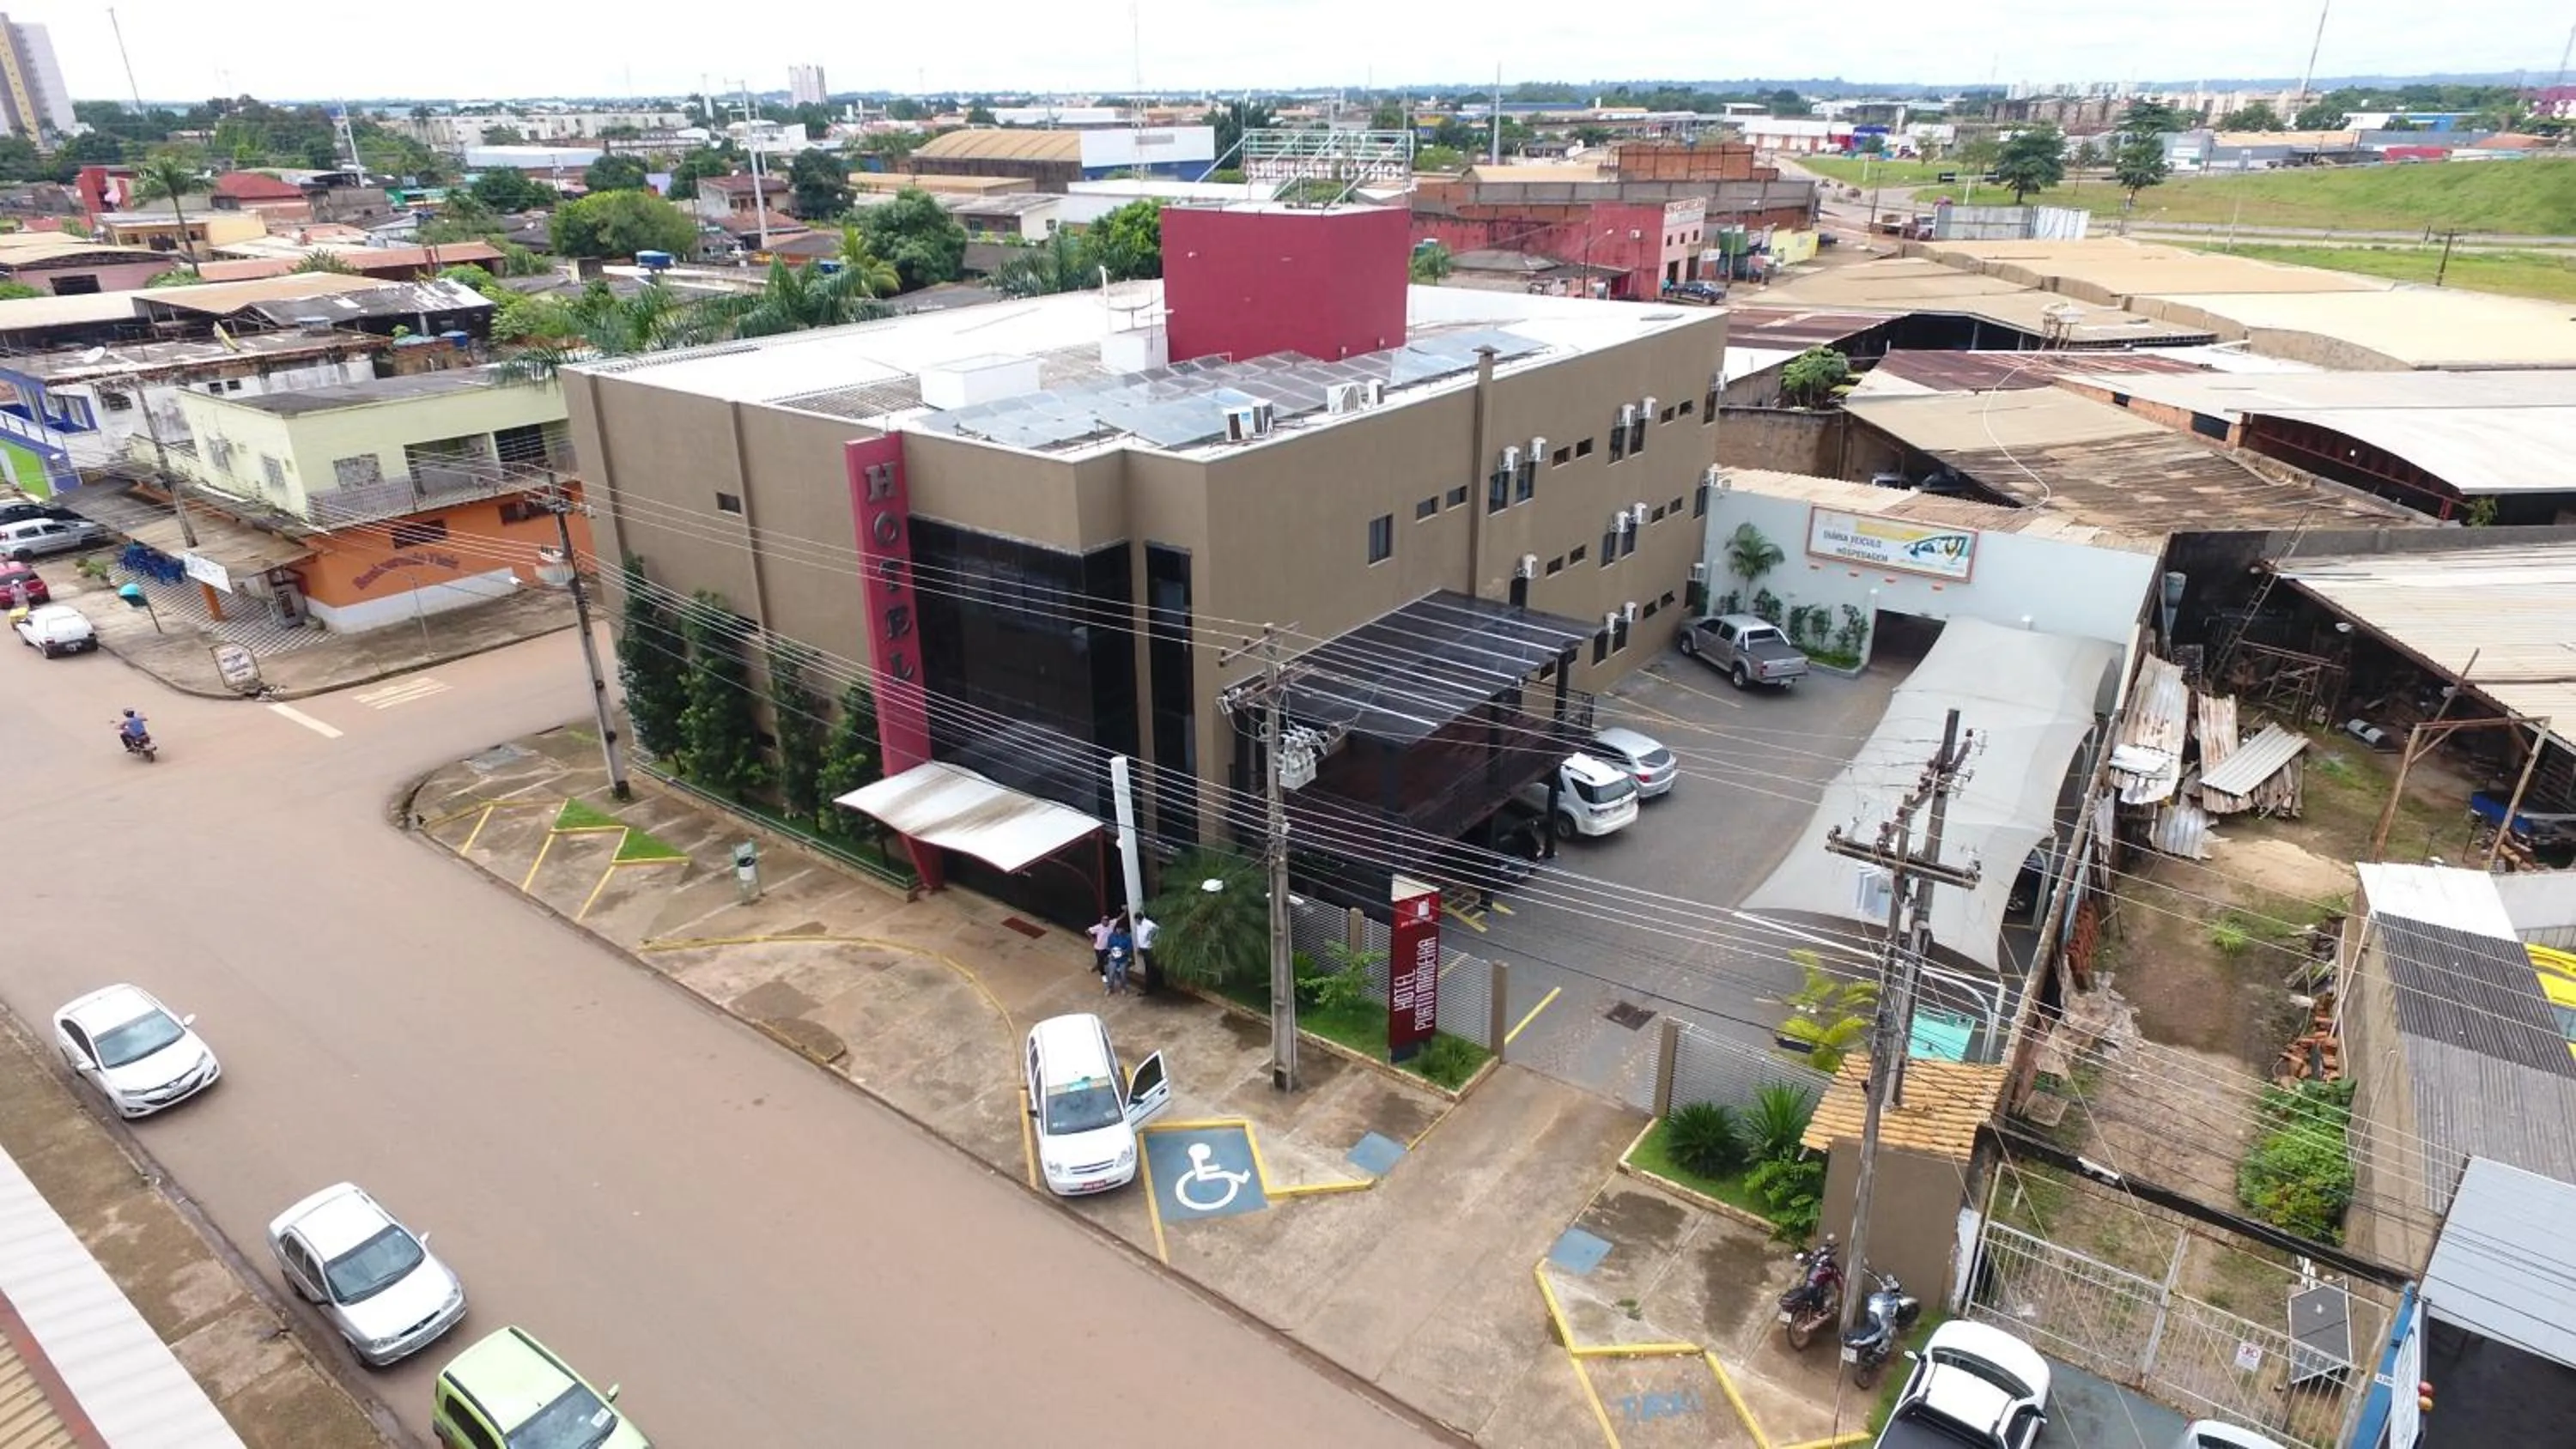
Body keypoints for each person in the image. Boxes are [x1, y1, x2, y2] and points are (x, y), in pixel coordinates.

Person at [1130, 911, 1161, 997]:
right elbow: (1140, 936)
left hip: (1149, 949)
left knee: (1150, 969)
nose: (1136, 922)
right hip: (1143, 948)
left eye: (1136, 920)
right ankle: (1152, 987)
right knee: (1149, 967)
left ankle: (1150, 989)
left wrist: (1151, 940)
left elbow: (1157, 929)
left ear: (1139, 919)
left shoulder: (1148, 924)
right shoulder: (1139, 925)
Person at [1104, 919, 1133, 996]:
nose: (1119, 930)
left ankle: (1123, 988)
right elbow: (1108, 946)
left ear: (1123, 929)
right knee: (1111, 974)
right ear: (1116, 929)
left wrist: (1124, 952)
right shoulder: (1111, 936)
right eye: (1118, 929)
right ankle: (1110, 988)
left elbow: (1129, 948)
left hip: (1123, 959)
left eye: (1121, 929)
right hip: (1113, 958)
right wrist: (1111, 952)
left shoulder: (1127, 937)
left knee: (1123, 975)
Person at [1085, 915, 1114, 979]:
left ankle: (1095, 968)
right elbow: (1087, 931)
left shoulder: (1111, 924)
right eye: (1104, 920)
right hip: (1099, 948)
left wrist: (1125, 911)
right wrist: (1092, 939)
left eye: (1107, 921)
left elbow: (1119, 918)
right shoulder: (1098, 927)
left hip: (1107, 947)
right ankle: (1098, 971)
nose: (1106, 922)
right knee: (1101, 961)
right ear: (1102, 921)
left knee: (1103, 960)